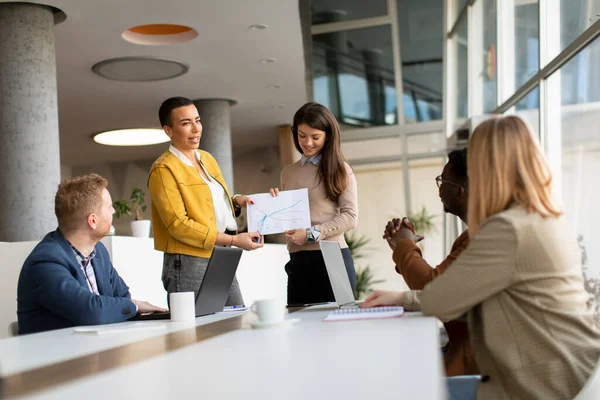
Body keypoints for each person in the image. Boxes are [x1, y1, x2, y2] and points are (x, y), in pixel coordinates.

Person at [363, 115, 600, 400]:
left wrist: (404, 267)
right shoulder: (544, 217)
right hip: (577, 372)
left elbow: (441, 299)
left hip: (546, 385)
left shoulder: (508, 228)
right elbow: (463, 294)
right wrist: (402, 298)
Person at [148, 96, 262, 306]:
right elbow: (178, 225)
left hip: (220, 254)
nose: (196, 129)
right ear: (168, 130)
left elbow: (211, 202)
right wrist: (235, 241)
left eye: (198, 120)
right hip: (188, 261)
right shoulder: (163, 169)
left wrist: (236, 201)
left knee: (234, 321)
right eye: (185, 123)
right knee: (195, 332)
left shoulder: (206, 158)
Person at [17, 174, 166, 335]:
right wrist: (135, 306)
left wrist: (126, 305)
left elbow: (123, 297)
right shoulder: (45, 262)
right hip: (55, 357)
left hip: (95, 351)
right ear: (93, 221)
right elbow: (91, 312)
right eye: (109, 207)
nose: (114, 211)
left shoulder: (99, 252)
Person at [383, 148, 478, 377]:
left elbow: (432, 286)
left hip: (472, 365)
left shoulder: (480, 238)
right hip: (463, 352)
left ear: (459, 192)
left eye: (442, 180)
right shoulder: (470, 236)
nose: (439, 188)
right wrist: (403, 246)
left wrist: (405, 243)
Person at [269, 102, 358, 305]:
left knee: (337, 329)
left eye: (315, 137)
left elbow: (351, 217)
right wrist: (274, 205)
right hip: (297, 260)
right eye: (302, 135)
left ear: (328, 136)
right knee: (299, 329)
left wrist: (310, 234)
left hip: (332, 256)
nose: (307, 143)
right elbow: (290, 218)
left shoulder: (341, 170)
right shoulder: (288, 172)